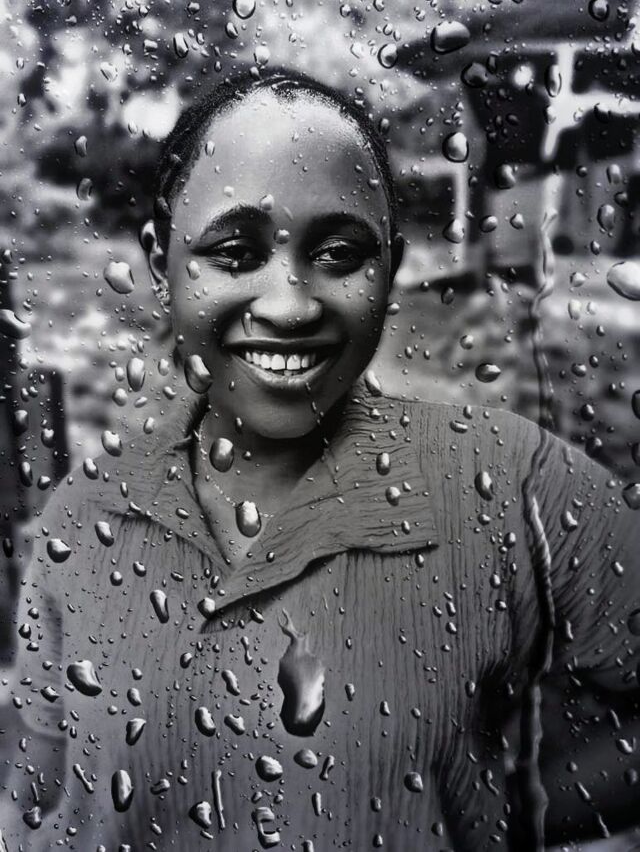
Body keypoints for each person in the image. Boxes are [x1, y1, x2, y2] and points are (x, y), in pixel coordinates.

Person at [3, 66, 640, 852]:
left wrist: (491, 811)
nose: (290, 304)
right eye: (234, 253)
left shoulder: (509, 482)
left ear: (391, 264)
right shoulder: (87, 514)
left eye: (339, 254)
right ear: (161, 259)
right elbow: (38, 787)